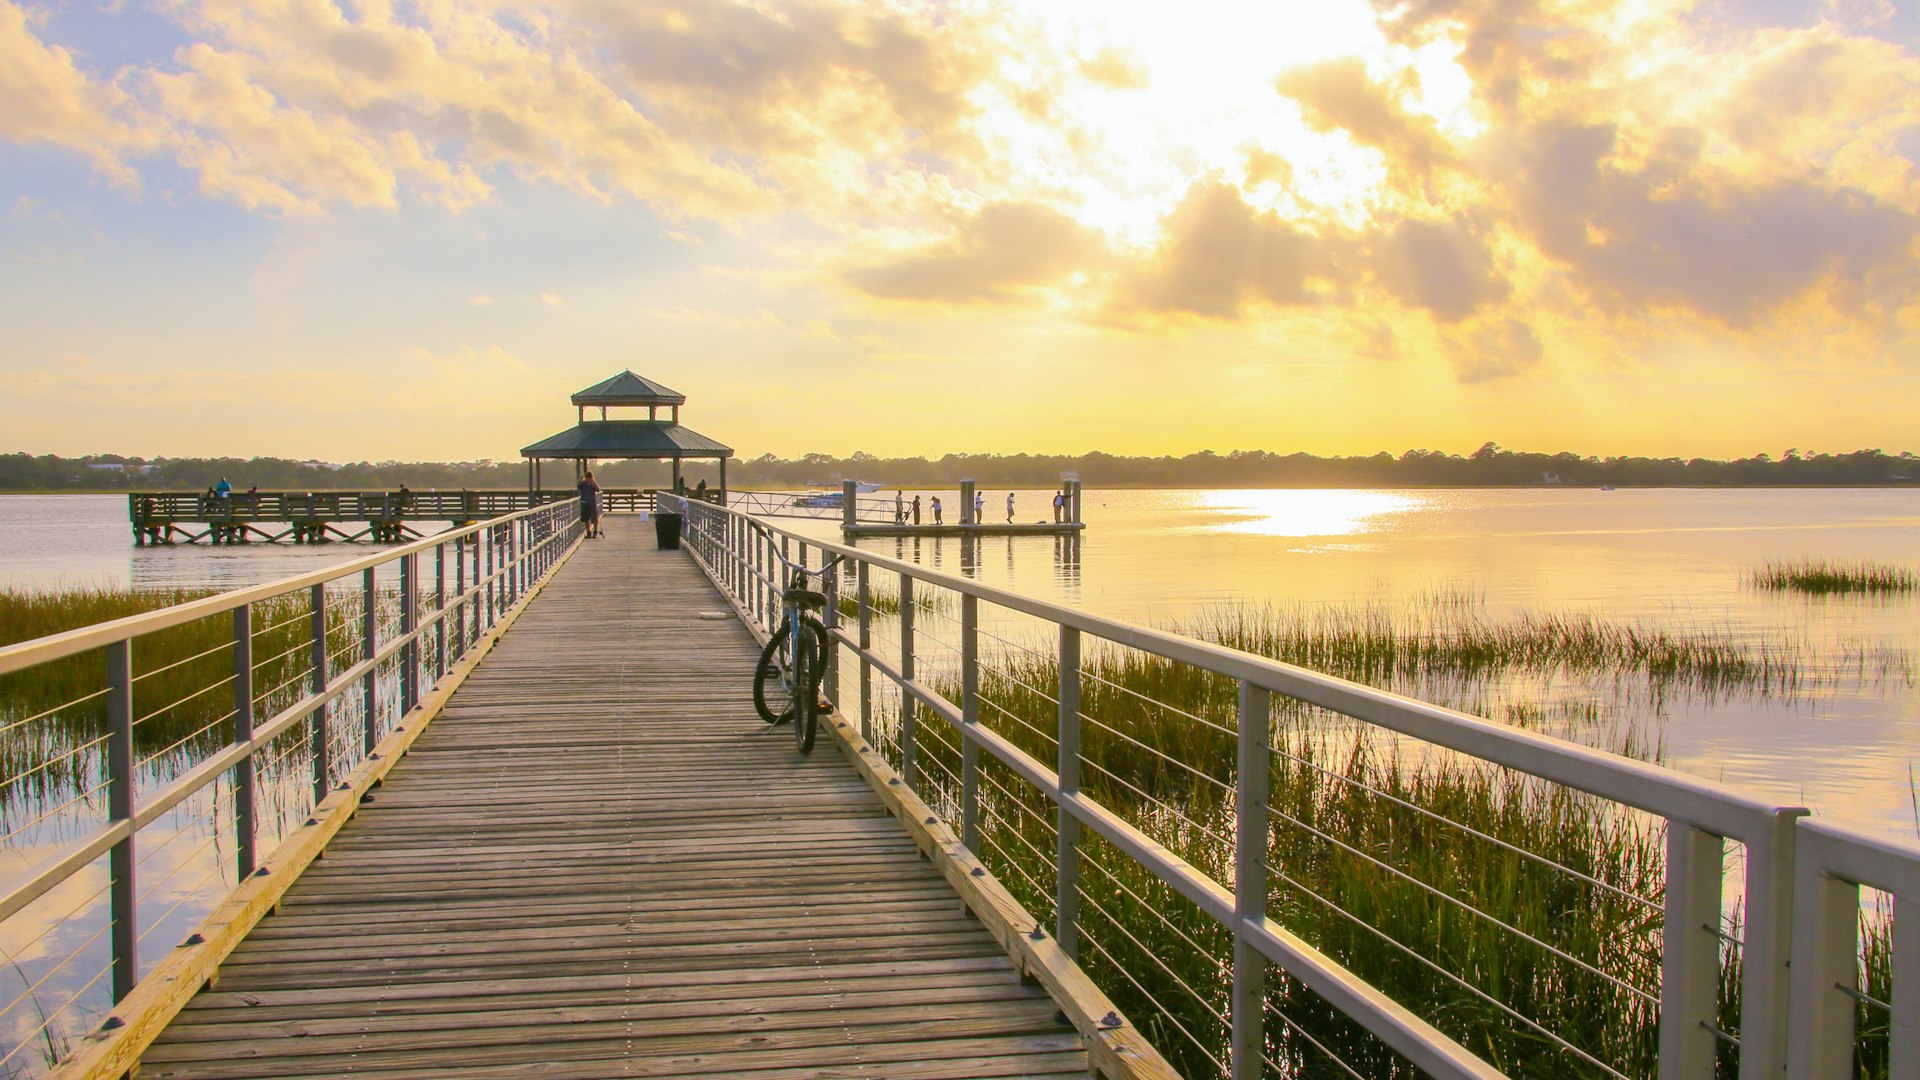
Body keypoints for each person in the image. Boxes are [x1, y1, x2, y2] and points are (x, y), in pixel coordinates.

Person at [578, 470, 603, 538]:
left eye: (589, 477)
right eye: (587, 477)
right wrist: (581, 479)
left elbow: (598, 490)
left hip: (592, 503)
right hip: (585, 503)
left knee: (594, 518)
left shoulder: (593, 484)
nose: (588, 479)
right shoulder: (583, 483)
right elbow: (578, 486)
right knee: (586, 519)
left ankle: (595, 531)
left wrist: (593, 482)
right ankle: (588, 532)